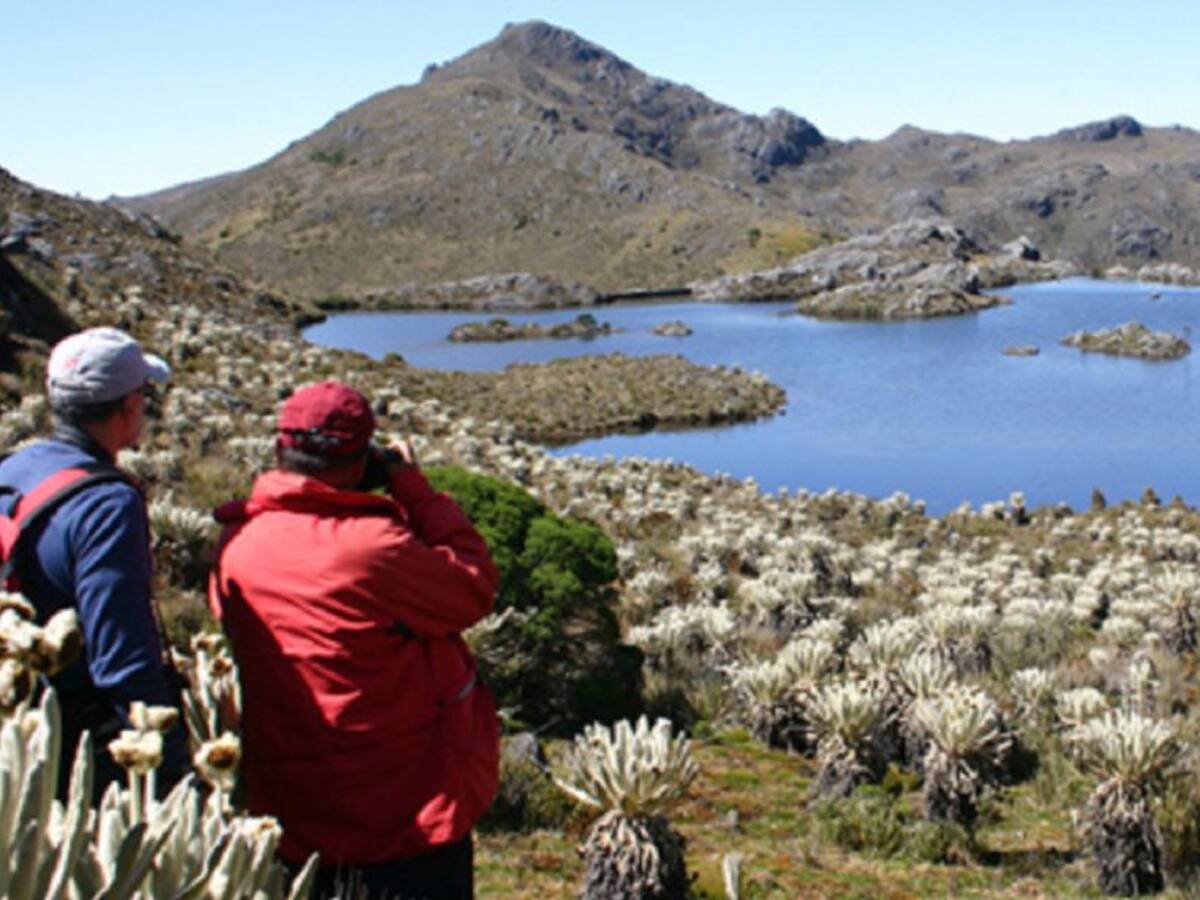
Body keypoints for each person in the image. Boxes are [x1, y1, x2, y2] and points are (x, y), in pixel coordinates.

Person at [209, 380, 500, 900]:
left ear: (280, 449)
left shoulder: (238, 544)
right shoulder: (375, 548)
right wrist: (414, 489)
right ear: (362, 461)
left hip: (293, 817)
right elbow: (472, 587)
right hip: (405, 819)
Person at [0, 326, 188, 797]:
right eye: (143, 395)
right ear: (128, 407)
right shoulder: (106, 505)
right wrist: (168, 772)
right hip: (65, 746)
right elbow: (122, 657)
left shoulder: (14, 470)